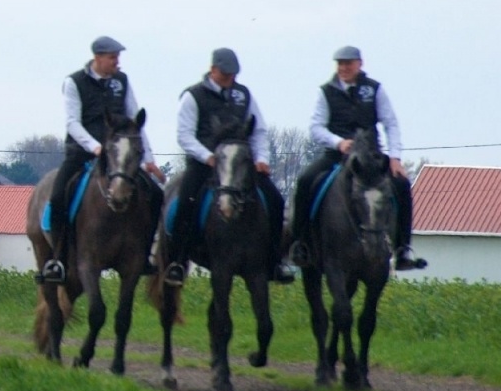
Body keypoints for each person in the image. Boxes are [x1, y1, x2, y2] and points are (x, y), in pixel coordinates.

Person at [166, 48, 292, 288]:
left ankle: (275, 260)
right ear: (213, 70)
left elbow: (260, 130)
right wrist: (207, 156)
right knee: (185, 203)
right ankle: (178, 261)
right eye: (225, 74)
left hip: (239, 163)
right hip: (205, 164)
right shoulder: (193, 96)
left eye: (233, 75)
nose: (229, 79)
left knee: (275, 200)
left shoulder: (244, 95)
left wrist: (261, 158)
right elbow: (185, 136)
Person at [291, 46, 425, 272]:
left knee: (401, 185)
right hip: (337, 155)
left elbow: (390, 123)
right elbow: (316, 127)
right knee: (305, 181)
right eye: (340, 64)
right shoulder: (326, 92)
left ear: (359, 64)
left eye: (348, 63)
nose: (344, 68)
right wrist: (338, 142)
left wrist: (394, 158)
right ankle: (301, 243)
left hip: (371, 158)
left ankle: (402, 248)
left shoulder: (374, 90)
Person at [43, 38, 166, 283]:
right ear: (98, 57)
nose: (117, 62)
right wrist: (95, 147)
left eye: (117, 57)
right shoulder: (74, 82)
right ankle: (58, 259)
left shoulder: (122, 81)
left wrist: (149, 160)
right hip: (82, 152)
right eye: (113, 57)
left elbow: (134, 120)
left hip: (120, 154)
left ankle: (144, 256)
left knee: (156, 194)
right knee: (58, 198)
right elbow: (73, 123)